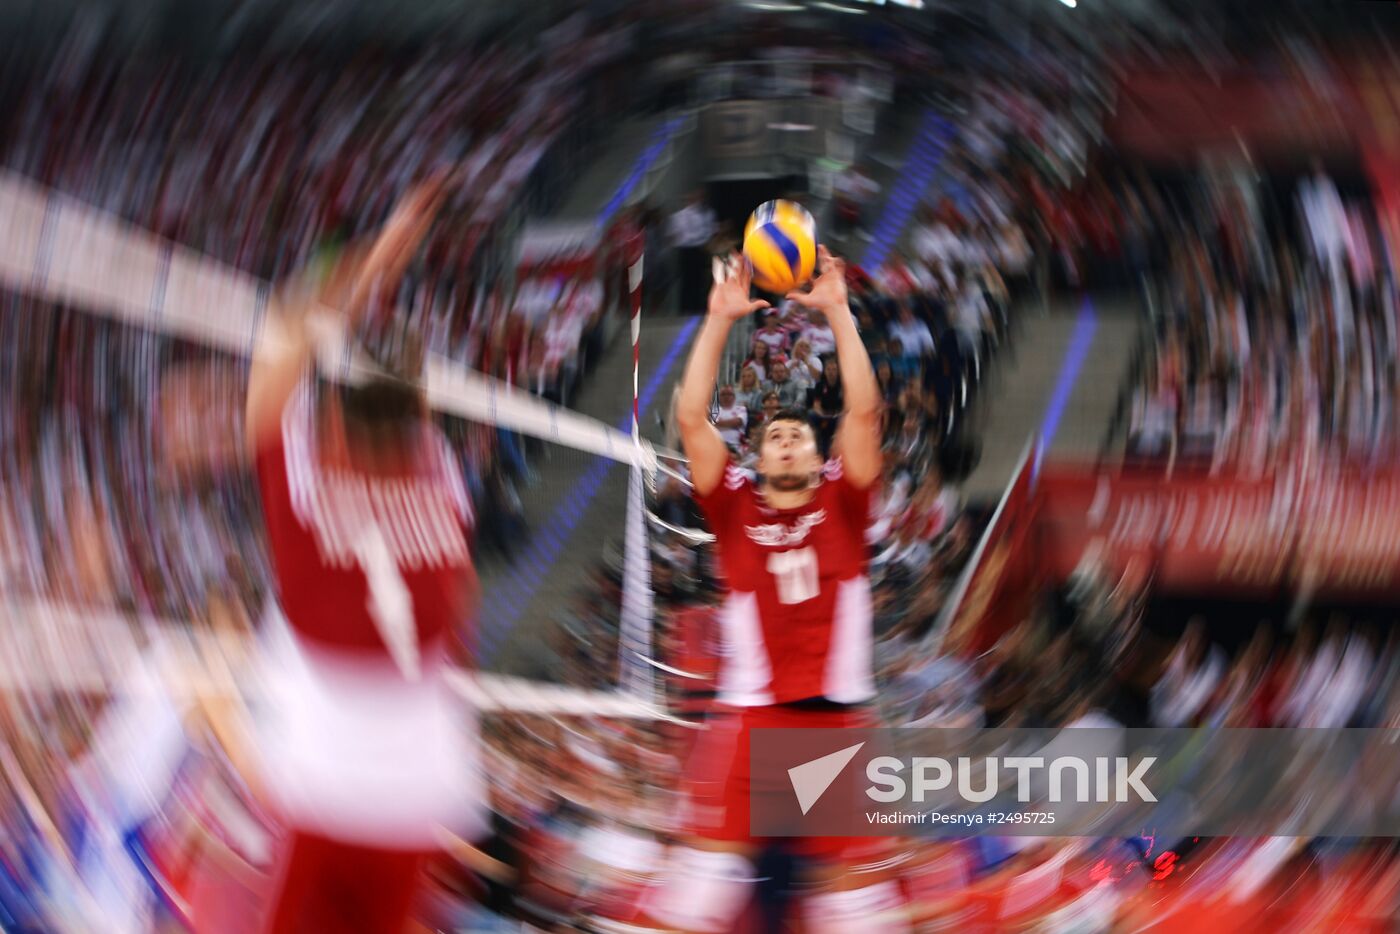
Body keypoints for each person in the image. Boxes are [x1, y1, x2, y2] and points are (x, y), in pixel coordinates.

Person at [637, 247, 905, 933]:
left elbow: (865, 414)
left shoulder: (846, 501)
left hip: (838, 726)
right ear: (758, 459)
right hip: (750, 721)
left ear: (821, 458)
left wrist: (840, 311)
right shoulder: (734, 507)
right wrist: (719, 319)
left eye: (798, 436)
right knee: (695, 900)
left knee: (857, 912)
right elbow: (693, 419)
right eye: (775, 436)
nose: (786, 442)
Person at [244, 173, 486, 933]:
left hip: (329, 773)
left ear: (335, 415)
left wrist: (381, 250)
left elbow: (285, 327)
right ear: (420, 408)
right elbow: (465, 604)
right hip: (419, 781)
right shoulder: (443, 478)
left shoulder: (307, 476)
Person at [711, 384, 748, 451]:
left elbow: (738, 422)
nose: (726, 397)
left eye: (729, 394)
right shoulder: (714, 410)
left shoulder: (741, 409)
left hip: (735, 446)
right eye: (723, 394)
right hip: (715, 446)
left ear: (734, 397)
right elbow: (710, 424)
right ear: (719, 397)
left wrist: (718, 423)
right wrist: (730, 423)